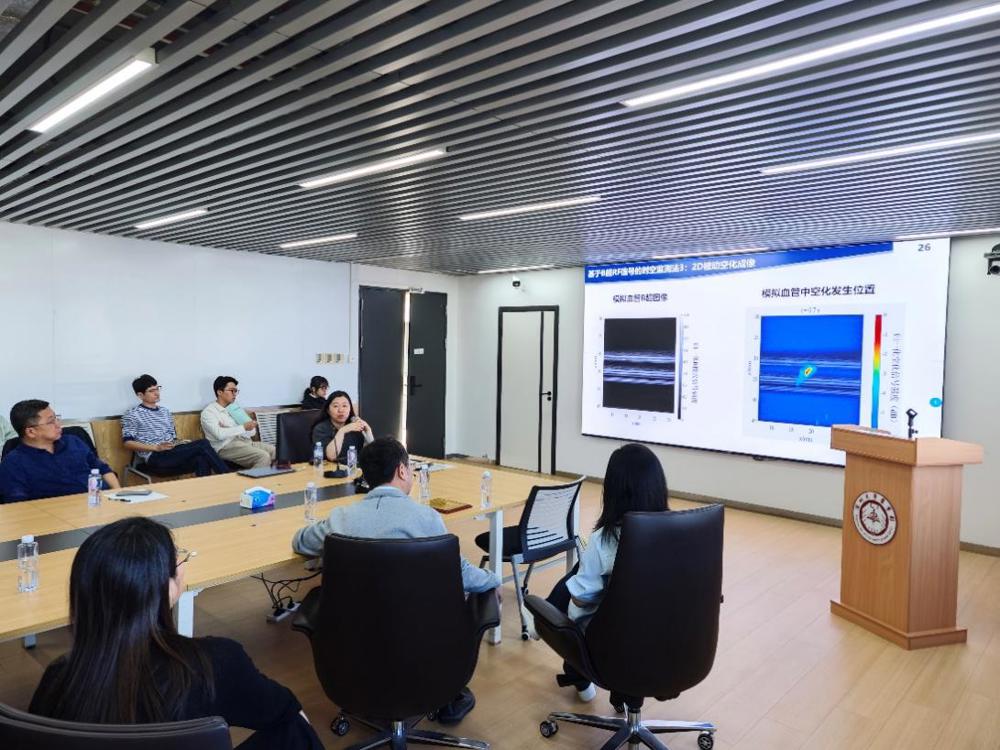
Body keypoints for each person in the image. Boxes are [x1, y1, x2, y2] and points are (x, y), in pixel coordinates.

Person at [29, 517, 323, 749]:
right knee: (295, 728)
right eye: (177, 562)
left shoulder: (58, 678)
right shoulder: (215, 663)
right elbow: (285, 710)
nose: (181, 568)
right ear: (165, 587)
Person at [292, 437, 499, 723]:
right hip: (421, 645)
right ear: (402, 470)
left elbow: (300, 542)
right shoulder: (427, 518)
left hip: (355, 650)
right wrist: (492, 579)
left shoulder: (341, 519)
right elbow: (461, 573)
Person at [546, 443, 669, 703]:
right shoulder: (685, 533)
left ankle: (578, 674)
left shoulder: (604, 541)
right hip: (673, 644)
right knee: (583, 575)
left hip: (617, 646)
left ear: (612, 491)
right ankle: (624, 692)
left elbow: (581, 602)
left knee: (575, 595)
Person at [0, 400, 120, 503]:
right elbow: (17, 504)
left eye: (56, 418)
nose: (58, 424)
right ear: (31, 432)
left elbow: (103, 469)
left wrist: (117, 494)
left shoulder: (73, 441)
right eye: (51, 421)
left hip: (99, 502)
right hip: (59, 515)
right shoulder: (14, 463)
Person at [123, 374, 230, 477]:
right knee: (203, 444)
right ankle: (228, 478)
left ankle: (206, 489)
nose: (157, 393)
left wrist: (180, 442)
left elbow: (172, 439)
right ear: (140, 395)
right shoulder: (132, 414)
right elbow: (127, 443)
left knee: (201, 458)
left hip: (172, 452)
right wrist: (156, 448)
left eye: (157, 389)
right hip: (155, 457)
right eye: (151, 391)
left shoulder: (164, 411)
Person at [200, 376, 275, 469]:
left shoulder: (235, 408)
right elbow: (219, 434)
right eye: (232, 391)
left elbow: (252, 432)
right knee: (263, 457)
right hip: (225, 447)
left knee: (275, 451)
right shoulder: (209, 412)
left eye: (236, 391)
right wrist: (242, 427)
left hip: (245, 442)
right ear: (219, 392)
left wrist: (238, 428)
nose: (235, 394)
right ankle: (251, 479)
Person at [311, 390, 374, 464]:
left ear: (350, 409)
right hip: (329, 469)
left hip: (353, 468)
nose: (341, 410)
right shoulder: (321, 429)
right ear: (328, 410)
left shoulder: (355, 427)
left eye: (344, 406)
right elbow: (331, 456)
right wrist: (342, 431)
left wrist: (368, 433)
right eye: (336, 406)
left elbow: (370, 455)